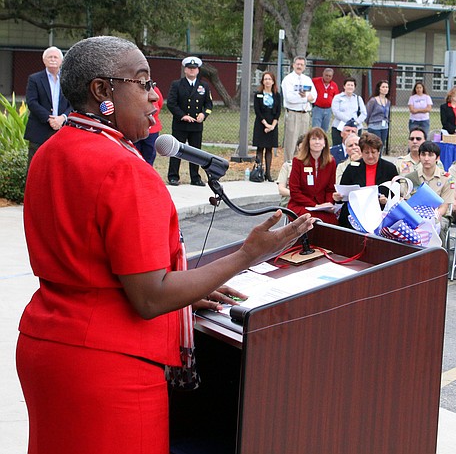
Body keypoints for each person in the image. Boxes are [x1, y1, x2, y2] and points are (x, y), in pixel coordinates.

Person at [17, 35, 314, 453]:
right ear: (101, 90)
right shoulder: (123, 168)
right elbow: (150, 296)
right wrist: (248, 254)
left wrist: (188, 291)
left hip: (47, 348)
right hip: (109, 367)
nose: (155, 95)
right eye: (142, 82)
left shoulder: (51, 151)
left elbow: (96, 265)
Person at [166, 56, 213, 186]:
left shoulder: (204, 85)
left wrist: (204, 114)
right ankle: (173, 176)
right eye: (189, 68)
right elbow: (171, 103)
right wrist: (183, 116)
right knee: (176, 151)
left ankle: (195, 177)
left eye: (194, 68)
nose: (192, 70)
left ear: (198, 70)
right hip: (180, 124)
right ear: (185, 70)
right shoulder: (177, 84)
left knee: (196, 152)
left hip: (196, 126)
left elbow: (209, 105)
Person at [337, 132, 398, 229]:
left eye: (373, 152)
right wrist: (338, 197)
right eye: (366, 152)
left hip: (380, 213)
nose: (370, 156)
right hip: (355, 213)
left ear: (379, 152)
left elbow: (396, 196)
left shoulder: (389, 168)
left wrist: (386, 201)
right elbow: (343, 193)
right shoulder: (352, 168)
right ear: (361, 152)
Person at [23, 46, 71, 169]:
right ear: (44, 60)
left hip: (63, 128)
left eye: (55, 57)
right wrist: (50, 119)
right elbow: (32, 102)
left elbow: (74, 102)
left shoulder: (68, 80)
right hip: (39, 129)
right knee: (35, 166)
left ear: (61, 61)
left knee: (59, 167)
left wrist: (62, 118)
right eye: (50, 57)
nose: (53, 59)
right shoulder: (34, 79)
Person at [402, 140, 456, 245]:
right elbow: (406, 202)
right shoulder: (411, 178)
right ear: (419, 156)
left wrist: (434, 217)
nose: (426, 158)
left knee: (438, 225)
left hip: (439, 215)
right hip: (415, 214)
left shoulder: (447, 179)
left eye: (430, 155)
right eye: (423, 154)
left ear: (437, 158)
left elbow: (444, 206)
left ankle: (439, 253)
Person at [287, 127, 338, 225]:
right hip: (301, 205)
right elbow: (294, 191)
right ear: (308, 142)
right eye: (314, 139)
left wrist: (328, 204)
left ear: (324, 143)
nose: (317, 142)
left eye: (320, 139)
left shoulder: (331, 162)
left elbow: (330, 189)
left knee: (332, 222)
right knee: (310, 219)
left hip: (322, 206)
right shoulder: (298, 161)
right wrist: (314, 205)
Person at [282, 56, 316, 161]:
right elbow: (290, 98)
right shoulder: (288, 79)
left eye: (302, 65)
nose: (299, 66)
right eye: (297, 64)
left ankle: (300, 165)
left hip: (305, 114)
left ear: (305, 67)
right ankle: (288, 165)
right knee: (291, 143)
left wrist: (304, 97)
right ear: (293, 65)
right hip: (293, 114)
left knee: (303, 142)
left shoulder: (307, 80)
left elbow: (314, 97)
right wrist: (306, 98)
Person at [252, 72, 282, 182]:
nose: (267, 81)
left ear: (273, 81)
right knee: (260, 148)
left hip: (273, 123)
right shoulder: (258, 95)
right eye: (265, 79)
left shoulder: (277, 95)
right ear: (262, 81)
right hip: (261, 123)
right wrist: (266, 124)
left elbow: (278, 111)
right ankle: (259, 171)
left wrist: (272, 126)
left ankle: (268, 173)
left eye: (269, 79)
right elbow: (257, 111)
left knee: (269, 148)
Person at [331, 77, 367, 146]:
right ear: (344, 86)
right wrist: (349, 121)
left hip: (355, 127)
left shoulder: (358, 98)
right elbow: (336, 112)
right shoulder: (338, 97)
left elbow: (364, 113)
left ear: (354, 87)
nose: (350, 87)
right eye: (348, 85)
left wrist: (356, 122)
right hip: (339, 127)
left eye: (352, 85)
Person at [133, 84, 164, 165]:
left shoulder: (154, 89)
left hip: (152, 130)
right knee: (135, 153)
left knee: (150, 154)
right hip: (136, 128)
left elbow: (159, 103)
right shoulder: (133, 88)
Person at [276, 136, 302, 208]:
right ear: (297, 149)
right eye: (300, 149)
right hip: (290, 199)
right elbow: (281, 189)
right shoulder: (288, 165)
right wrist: (298, 195)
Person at [311, 67, 338, 132]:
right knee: (316, 129)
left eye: (329, 76)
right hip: (317, 108)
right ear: (323, 74)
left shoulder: (334, 85)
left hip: (328, 109)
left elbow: (336, 97)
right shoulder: (315, 81)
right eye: (326, 75)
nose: (327, 77)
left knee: (325, 129)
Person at [365, 80, 391, 147]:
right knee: (375, 145)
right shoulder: (373, 100)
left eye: (386, 87)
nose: (385, 89)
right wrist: (368, 123)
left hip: (384, 126)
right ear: (379, 88)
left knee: (381, 145)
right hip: (374, 126)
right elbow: (367, 113)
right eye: (383, 87)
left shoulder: (388, 101)